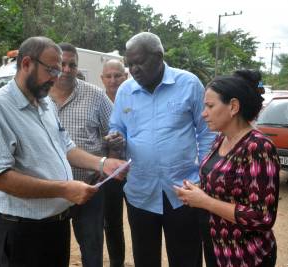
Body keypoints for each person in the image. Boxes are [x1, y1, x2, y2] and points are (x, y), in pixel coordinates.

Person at [0, 36, 127, 267]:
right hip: (24, 231)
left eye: (60, 69)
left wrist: (102, 163)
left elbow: (65, 146)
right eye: (52, 70)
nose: (58, 76)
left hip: (56, 224)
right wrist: (64, 188)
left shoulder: (45, 104)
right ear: (26, 64)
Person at [107, 32, 215, 267]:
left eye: (139, 62)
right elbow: (117, 127)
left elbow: (207, 132)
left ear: (158, 56)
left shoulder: (188, 83)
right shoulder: (126, 90)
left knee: (186, 257)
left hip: (184, 190)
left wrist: (203, 177)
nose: (134, 69)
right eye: (130, 63)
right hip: (141, 191)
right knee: (145, 257)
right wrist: (116, 138)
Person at [175, 70, 280, 267]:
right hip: (217, 247)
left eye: (210, 106)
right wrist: (198, 191)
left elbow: (262, 217)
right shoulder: (220, 139)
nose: (203, 113)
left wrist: (205, 201)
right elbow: (226, 187)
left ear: (233, 106)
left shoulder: (258, 147)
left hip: (246, 256)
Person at [49, 42, 114, 267]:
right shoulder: (38, 97)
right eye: (62, 64)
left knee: (92, 246)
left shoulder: (96, 95)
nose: (66, 69)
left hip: (90, 187)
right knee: (53, 248)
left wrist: (109, 155)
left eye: (72, 65)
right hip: (51, 189)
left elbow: (113, 132)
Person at [100, 59, 128, 267]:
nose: (113, 80)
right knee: (113, 222)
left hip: (136, 170)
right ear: (102, 79)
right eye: (108, 76)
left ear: (125, 76)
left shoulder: (134, 98)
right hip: (110, 173)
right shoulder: (98, 101)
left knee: (140, 221)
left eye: (117, 75)